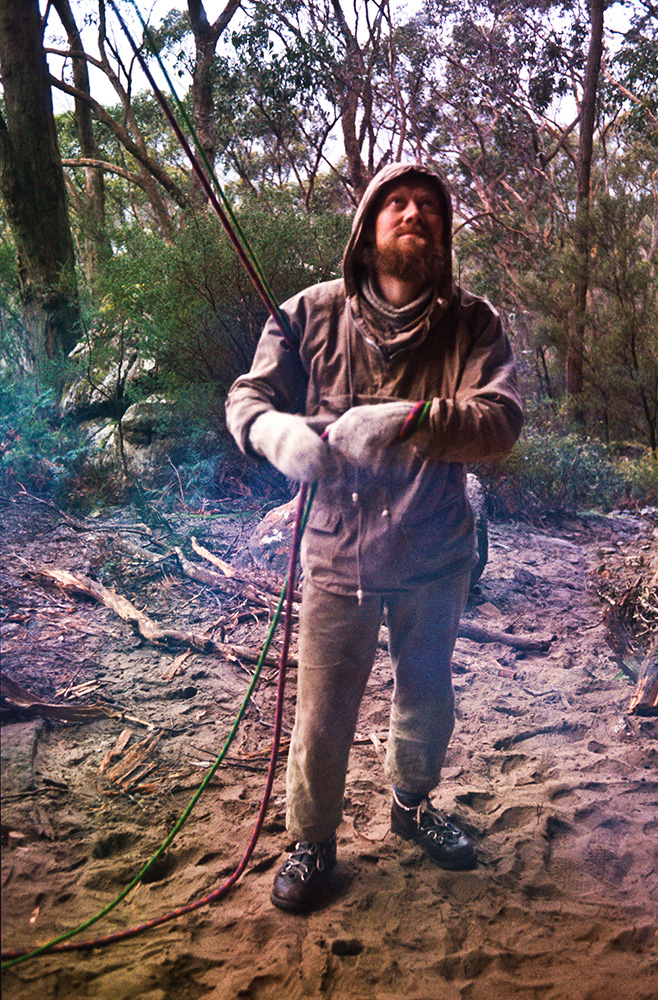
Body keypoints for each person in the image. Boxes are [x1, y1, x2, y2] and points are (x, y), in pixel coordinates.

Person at [225, 162, 523, 913]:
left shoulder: (473, 323)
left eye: (429, 205)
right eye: (397, 201)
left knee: (426, 692)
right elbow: (247, 396)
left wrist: (412, 419)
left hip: (435, 552)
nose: (414, 212)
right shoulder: (306, 314)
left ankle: (412, 806)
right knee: (322, 711)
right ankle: (312, 841)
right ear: (366, 224)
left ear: (444, 234)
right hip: (334, 553)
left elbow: (502, 421)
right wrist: (272, 431)